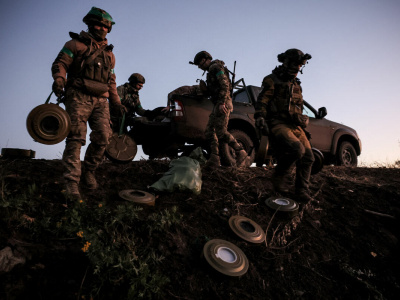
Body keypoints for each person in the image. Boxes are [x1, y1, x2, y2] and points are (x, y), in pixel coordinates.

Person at [51, 7, 126, 199]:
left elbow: (111, 81)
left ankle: (89, 170)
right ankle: (71, 182)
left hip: (101, 100)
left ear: (109, 29)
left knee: (103, 136)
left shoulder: (110, 55)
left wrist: (116, 103)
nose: (101, 28)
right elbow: (60, 63)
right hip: (78, 95)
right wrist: (60, 78)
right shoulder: (75, 44)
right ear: (89, 24)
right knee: (76, 137)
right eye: (97, 24)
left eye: (105, 26)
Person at [255, 48, 314, 201]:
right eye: (295, 65)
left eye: (300, 66)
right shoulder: (271, 79)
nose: (297, 69)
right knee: (297, 150)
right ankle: (279, 176)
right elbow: (262, 101)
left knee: (308, 157)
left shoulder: (297, 86)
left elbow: (298, 107)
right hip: (278, 123)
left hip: (295, 126)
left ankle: (302, 190)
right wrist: (260, 117)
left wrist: (302, 124)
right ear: (286, 63)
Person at [189, 51, 247, 168]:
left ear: (206, 59)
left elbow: (224, 85)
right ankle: (215, 158)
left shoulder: (215, 67)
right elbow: (214, 90)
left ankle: (241, 152)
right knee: (210, 131)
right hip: (218, 104)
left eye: (200, 63)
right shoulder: (210, 72)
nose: (199, 66)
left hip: (223, 102)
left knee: (221, 131)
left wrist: (222, 103)